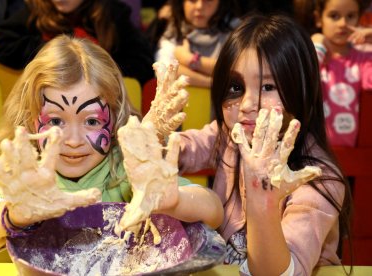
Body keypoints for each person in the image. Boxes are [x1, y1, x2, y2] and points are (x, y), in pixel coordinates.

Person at [0, 35, 224, 253]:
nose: (74, 141)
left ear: (116, 119)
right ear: (31, 121)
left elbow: (213, 211)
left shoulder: (128, 170)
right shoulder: (27, 177)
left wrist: (175, 203)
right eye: (55, 122)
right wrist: (14, 216)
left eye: (91, 121)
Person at [149, 14, 353, 275]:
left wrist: (262, 196)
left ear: (302, 90)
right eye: (236, 86)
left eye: (268, 86)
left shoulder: (317, 177)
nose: (246, 105)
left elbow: (280, 272)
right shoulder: (232, 136)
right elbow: (185, 149)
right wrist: (154, 139)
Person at [0, 0, 154, 86]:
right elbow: (0, 45)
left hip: (102, 110)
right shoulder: (36, 12)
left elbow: (142, 63)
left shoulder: (112, 15)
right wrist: (55, 54)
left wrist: (101, 69)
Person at [310, 0, 372, 147]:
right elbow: (302, 79)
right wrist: (317, 46)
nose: (343, 23)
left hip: (351, 156)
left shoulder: (363, 59)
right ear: (319, 19)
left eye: (350, 16)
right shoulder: (314, 53)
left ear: (359, 18)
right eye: (334, 16)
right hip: (314, 152)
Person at [155, 0, 241, 88]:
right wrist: (212, 82)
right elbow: (166, 71)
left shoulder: (237, 31)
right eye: (192, 0)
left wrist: (189, 59)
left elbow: (238, 71)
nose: (199, 6)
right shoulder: (175, 29)